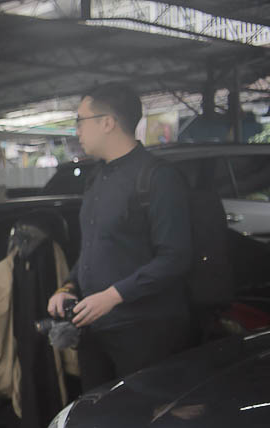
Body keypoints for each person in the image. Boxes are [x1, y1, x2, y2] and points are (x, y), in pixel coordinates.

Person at [47, 82, 192, 391]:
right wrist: (68, 286)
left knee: (142, 421)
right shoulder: (96, 178)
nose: (77, 131)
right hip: (96, 328)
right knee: (99, 419)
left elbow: (175, 257)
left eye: (80, 121)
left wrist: (113, 296)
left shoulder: (157, 178)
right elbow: (94, 249)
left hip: (145, 332)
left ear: (107, 123)